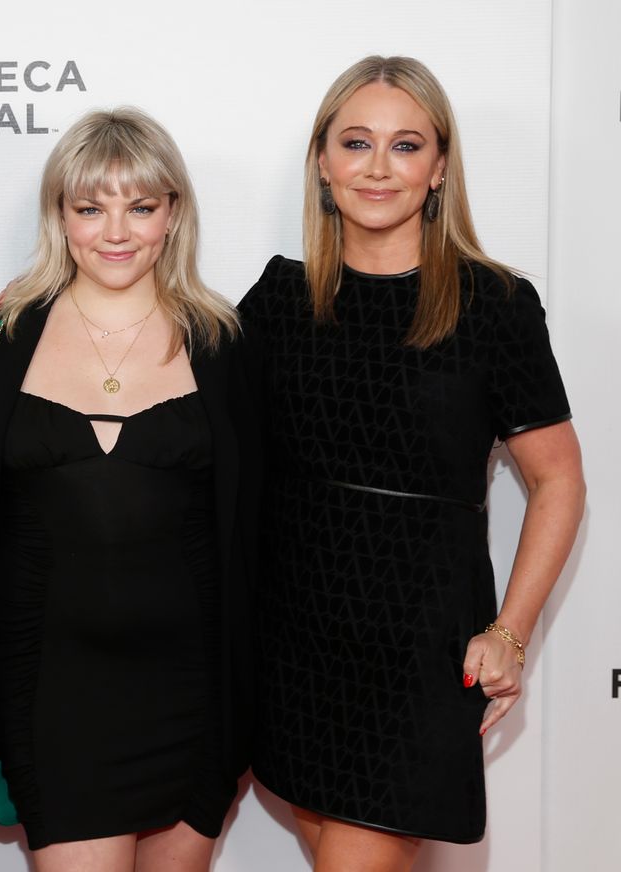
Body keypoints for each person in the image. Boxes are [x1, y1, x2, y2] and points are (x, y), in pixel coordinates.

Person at [238, 56, 585, 871]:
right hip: (293, 639)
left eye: (405, 146)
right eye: (356, 142)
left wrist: (511, 632)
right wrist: (47, 305)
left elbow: (559, 481)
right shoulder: (279, 302)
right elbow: (169, 381)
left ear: (438, 169)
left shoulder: (494, 305)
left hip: (417, 649)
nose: (378, 167)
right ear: (323, 162)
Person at [0, 107, 260, 872]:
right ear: (59, 217)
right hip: (53, 698)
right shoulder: (2, 334)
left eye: (141, 206)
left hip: (191, 698)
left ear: (173, 214)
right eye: (90, 207)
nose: (116, 231)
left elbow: (254, 524)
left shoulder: (222, 340)